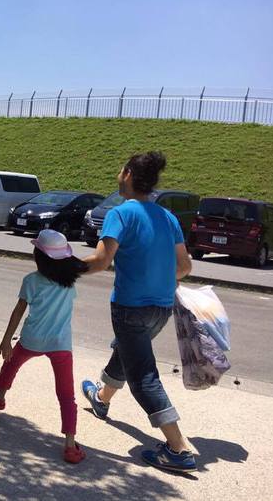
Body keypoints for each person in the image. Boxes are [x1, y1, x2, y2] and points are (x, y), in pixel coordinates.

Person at [81, 151, 195, 473]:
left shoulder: (120, 214)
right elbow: (184, 267)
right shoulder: (168, 217)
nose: (118, 175)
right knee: (129, 351)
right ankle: (101, 399)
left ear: (128, 175)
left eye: (120, 170)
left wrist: (62, 267)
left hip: (130, 306)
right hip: (161, 308)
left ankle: (178, 449)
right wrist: (158, 277)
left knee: (143, 375)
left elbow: (102, 261)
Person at [0, 229, 89, 464]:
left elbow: (18, 311)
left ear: (38, 257)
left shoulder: (31, 281)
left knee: (11, 363)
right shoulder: (69, 284)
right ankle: (70, 445)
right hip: (61, 344)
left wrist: (6, 339)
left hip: (31, 339)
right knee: (66, 395)